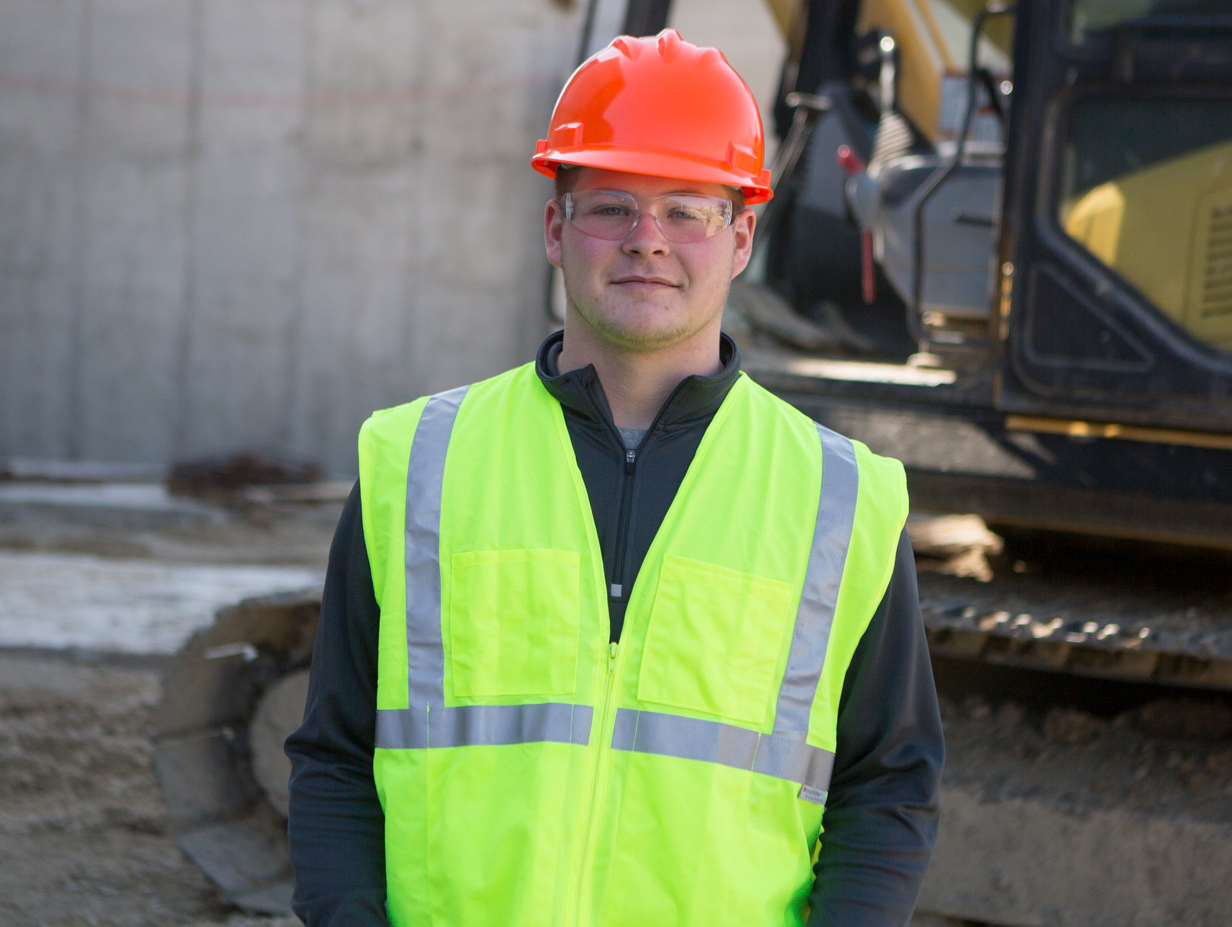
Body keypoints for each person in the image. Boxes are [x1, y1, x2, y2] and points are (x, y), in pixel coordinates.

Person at [285, 29, 943, 927]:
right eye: (611, 206)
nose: (648, 241)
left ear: (742, 235)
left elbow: (888, 786)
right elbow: (335, 755)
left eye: (688, 210)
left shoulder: (841, 498)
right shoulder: (415, 464)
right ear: (556, 229)